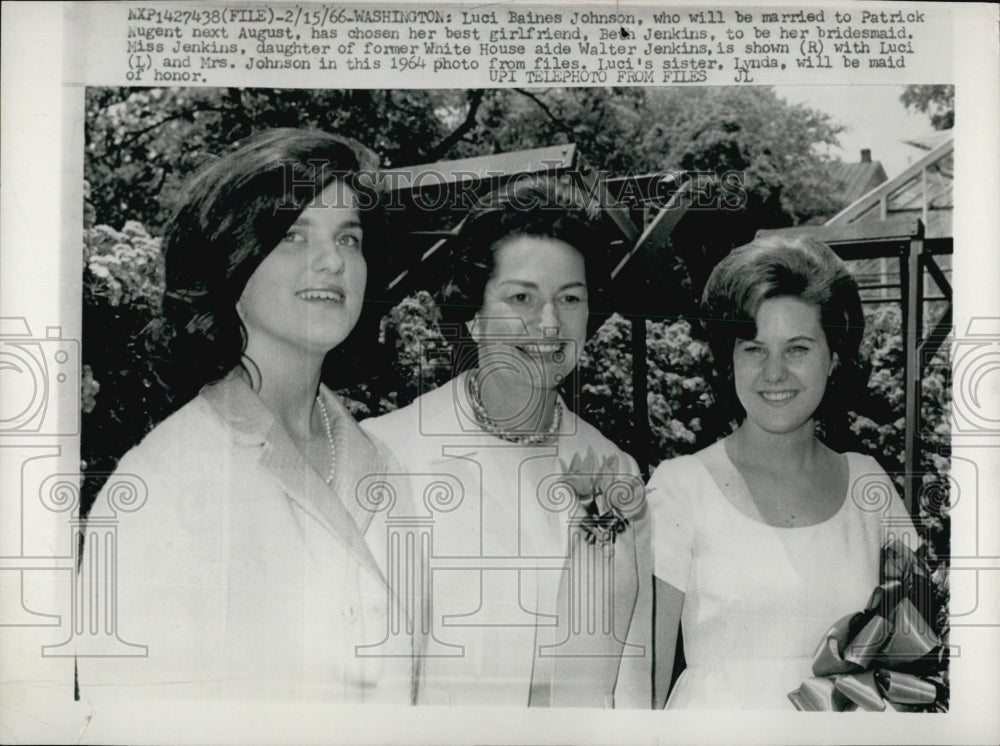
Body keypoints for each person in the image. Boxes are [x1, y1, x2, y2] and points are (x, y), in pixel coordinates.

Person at [78, 129, 417, 703]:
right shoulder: (158, 486)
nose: (333, 261)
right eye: (293, 235)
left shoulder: (383, 465)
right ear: (231, 261)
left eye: (349, 238)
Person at [361, 179, 653, 708]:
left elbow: (631, 670)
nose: (549, 322)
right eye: (521, 297)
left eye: (570, 298)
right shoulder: (386, 455)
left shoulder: (616, 471)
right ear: (473, 314)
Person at [649, 236, 920, 710]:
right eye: (754, 349)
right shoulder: (679, 488)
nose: (774, 373)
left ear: (834, 357)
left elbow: (919, 651)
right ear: (728, 358)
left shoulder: (869, 485)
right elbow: (643, 674)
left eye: (797, 349)